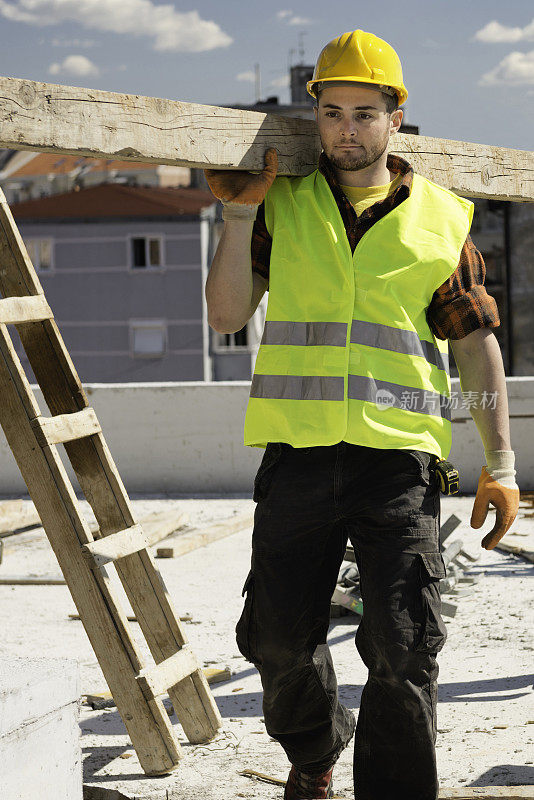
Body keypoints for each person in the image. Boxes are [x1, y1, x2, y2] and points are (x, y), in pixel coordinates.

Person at [204, 29, 520, 800]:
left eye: (365, 112)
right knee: (275, 640)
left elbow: (476, 348)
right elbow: (224, 318)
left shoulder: (442, 220)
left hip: (399, 468)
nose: (348, 129)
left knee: (403, 650)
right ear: (315, 115)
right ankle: (315, 753)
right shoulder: (278, 205)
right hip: (299, 457)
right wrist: (238, 219)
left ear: (396, 117)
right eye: (334, 111)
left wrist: (502, 465)